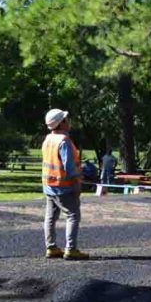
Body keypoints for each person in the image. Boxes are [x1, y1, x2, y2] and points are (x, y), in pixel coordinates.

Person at [42, 108, 89, 260]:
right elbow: (69, 166)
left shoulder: (48, 139)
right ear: (61, 123)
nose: (68, 122)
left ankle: (51, 247)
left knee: (50, 217)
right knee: (73, 215)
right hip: (65, 186)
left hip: (49, 185)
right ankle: (71, 249)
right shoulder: (64, 141)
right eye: (65, 119)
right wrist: (77, 182)